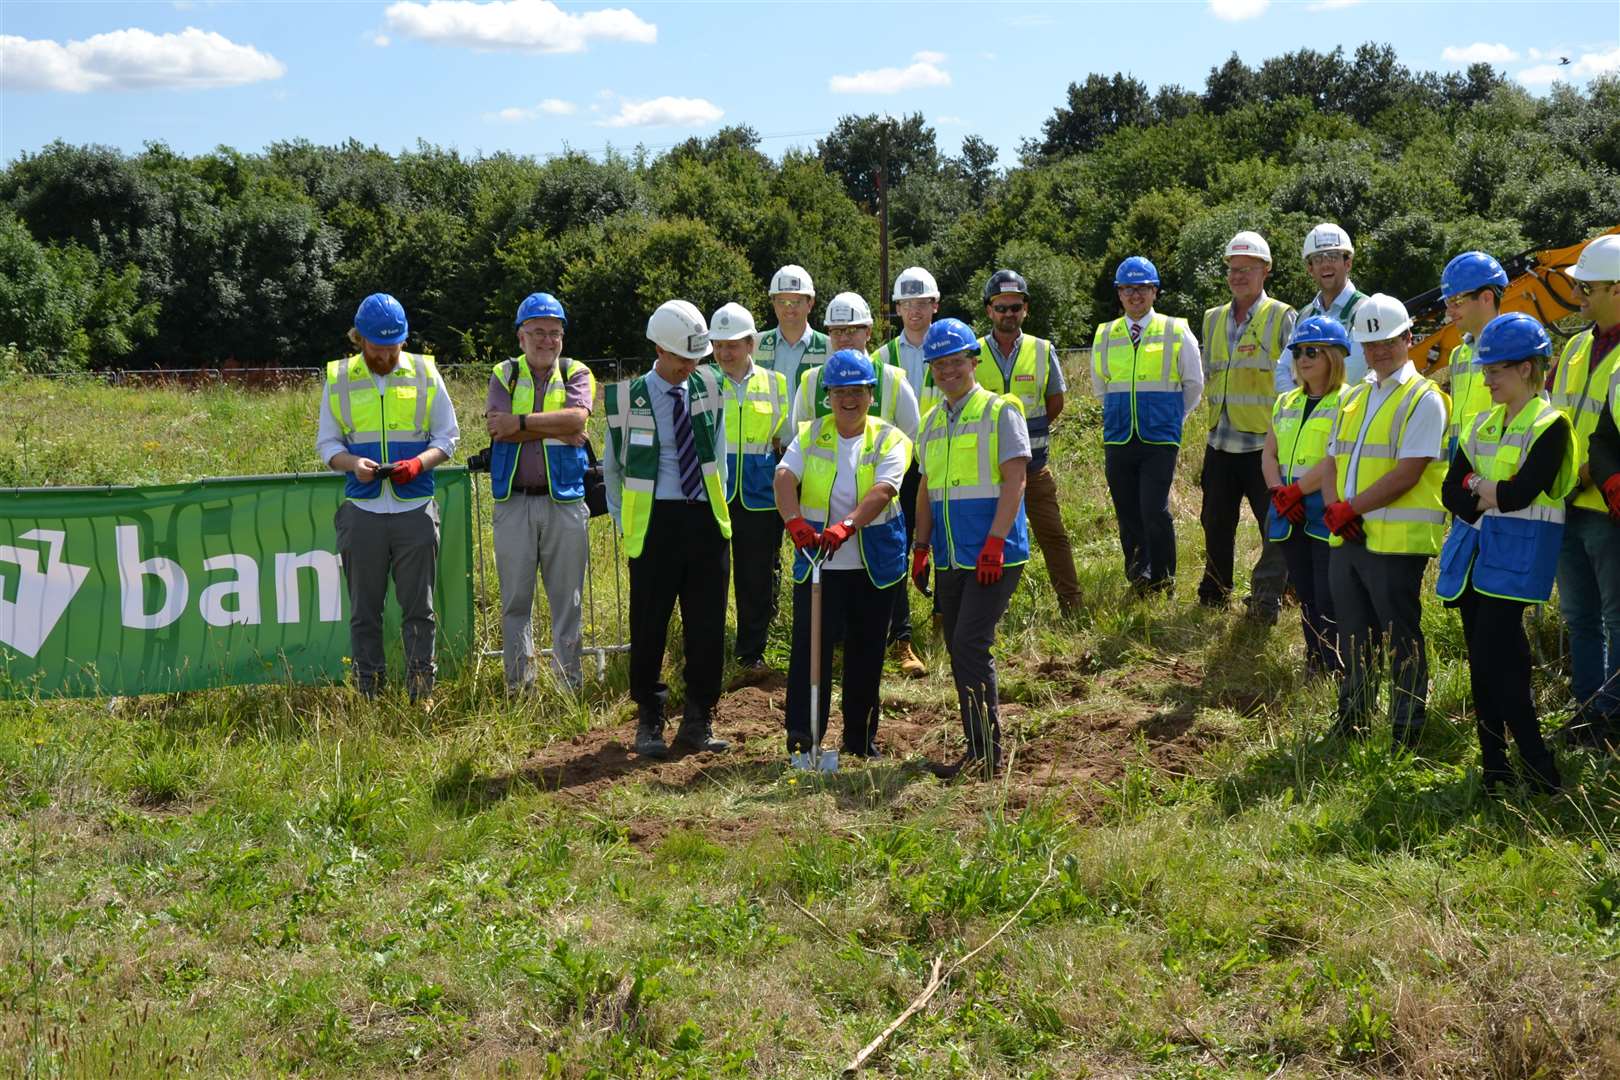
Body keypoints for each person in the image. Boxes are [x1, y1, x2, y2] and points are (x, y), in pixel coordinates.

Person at [1436, 313, 1571, 796]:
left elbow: (1522, 495)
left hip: (1517, 562)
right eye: (1485, 368)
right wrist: (1484, 487)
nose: (1486, 378)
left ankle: (1539, 767)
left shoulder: (1551, 425)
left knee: (1500, 662)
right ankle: (1495, 767)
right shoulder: (1480, 423)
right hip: (1474, 558)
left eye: (1496, 370)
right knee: (1483, 661)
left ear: (1529, 369)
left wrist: (1478, 486)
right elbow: (1451, 492)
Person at [1313, 294, 1448, 748]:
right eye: (1369, 345)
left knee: (1399, 639)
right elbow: (1332, 461)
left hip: (1396, 542)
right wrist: (1334, 509)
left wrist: (1349, 509)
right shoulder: (1353, 398)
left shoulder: (1425, 399)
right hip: (1349, 537)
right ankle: (1352, 720)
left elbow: (1408, 472)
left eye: (1387, 342)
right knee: (1352, 637)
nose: (1378, 352)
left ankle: (1406, 730)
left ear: (1409, 338)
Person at [316, 293, 459, 704]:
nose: (387, 354)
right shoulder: (339, 377)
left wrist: (419, 464)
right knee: (365, 612)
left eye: (394, 345)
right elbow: (327, 444)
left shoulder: (425, 372)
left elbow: (447, 437)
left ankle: (421, 692)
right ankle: (370, 693)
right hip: (362, 510)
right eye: (378, 347)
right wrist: (350, 463)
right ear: (359, 339)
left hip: (415, 508)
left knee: (420, 611)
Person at [604, 300, 732, 758]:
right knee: (649, 626)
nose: (689, 367)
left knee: (707, 627)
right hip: (654, 526)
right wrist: (625, 521)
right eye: (682, 358)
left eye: (696, 358)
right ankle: (650, 719)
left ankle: (699, 718)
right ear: (659, 347)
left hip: (705, 521)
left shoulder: (710, 387)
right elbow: (613, 471)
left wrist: (714, 514)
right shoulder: (625, 398)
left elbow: (719, 454)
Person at [774, 350, 911, 767]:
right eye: (839, 392)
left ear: (871, 394)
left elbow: (883, 491)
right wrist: (794, 521)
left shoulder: (891, 438)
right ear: (827, 396)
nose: (848, 399)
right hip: (820, 565)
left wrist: (847, 525)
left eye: (857, 391)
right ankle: (803, 739)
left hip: (874, 566)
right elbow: (784, 476)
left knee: (866, 653)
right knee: (808, 654)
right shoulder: (811, 433)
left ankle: (859, 739)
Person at [911, 318, 1032, 777]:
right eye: (939, 365)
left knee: (969, 643)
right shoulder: (932, 421)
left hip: (994, 554)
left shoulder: (1001, 411)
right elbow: (926, 490)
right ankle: (976, 750)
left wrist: (996, 542)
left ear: (973, 362)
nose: (947, 371)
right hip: (951, 555)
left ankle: (988, 756)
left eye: (955, 362)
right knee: (960, 647)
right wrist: (921, 547)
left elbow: (1015, 480)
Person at [485, 292, 596, 693]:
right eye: (538, 332)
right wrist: (557, 426)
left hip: (564, 501)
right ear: (521, 337)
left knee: (569, 602)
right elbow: (498, 428)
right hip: (514, 502)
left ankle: (570, 685)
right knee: (516, 602)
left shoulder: (577, 372)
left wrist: (521, 422)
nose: (547, 340)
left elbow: (577, 418)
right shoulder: (503, 373)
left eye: (554, 333)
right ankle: (520, 686)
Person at [1199, 231, 1297, 621]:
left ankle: (1274, 594)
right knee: (1215, 521)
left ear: (1265, 271)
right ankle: (1215, 589)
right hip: (1220, 439)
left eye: (1248, 269)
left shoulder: (1281, 315)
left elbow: (1295, 377)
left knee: (1273, 526)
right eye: (1233, 269)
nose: (1239, 276)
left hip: (1263, 443)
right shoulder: (1212, 319)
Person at [1091, 256, 1204, 594]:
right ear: (1119, 293)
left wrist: (1172, 419)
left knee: (1154, 508)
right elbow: (1101, 387)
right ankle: (1139, 573)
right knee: (1126, 508)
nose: (1134, 295)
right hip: (1119, 434)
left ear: (1154, 291)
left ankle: (1164, 577)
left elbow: (1194, 384)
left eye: (1141, 288)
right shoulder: (1106, 333)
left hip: (1159, 437)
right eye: (1127, 288)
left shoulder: (1175, 329)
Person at [976, 268, 1082, 616]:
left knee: (1052, 536)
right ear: (989, 310)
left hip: (1034, 469)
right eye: (1001, 307)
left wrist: (1020, 443)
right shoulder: (972, 354)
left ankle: (1072, 605)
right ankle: (986, 612)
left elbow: (1055, 404)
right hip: (986, 474)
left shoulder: (1043, 350)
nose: (1009, 314)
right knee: (987, 541)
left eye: (1015, 307)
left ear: (1026, 309)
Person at [1263, 316, 1350, 676]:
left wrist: (1297, 491)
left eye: (1312, 351)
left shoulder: (1349, 402)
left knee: (1328, 593)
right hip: (1288, 510)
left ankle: (1335, 664)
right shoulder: (1285, 401)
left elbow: (1334, 457)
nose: (1303, 359)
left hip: (1322, 509)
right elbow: (1269, 452)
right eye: (1298, 352)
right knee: (1305, 594)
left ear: (1334, 356)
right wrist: (1278, 491)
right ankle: (1314, 661)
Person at [1559, 234, 1620, 749]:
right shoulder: (1577, 347)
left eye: (1590, 286)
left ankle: (1613, 716)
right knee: (1580, 618)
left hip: (1606, 507)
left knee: (1617, 616)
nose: (1580, 294)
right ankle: (1588, 712)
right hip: (1564, 503)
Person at [708, 301, 790, 680]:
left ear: (751, 344)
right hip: (714, 495)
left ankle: (750, 652)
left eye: (733, 344)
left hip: (760, 495)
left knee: (757, 576)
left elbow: (782, 440)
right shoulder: (702, 383)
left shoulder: (777, 384)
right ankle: (709, 646)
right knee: (711, 576)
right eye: (719, 344)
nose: (725, 352)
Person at [874, 266, 940, 677]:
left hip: (943, 463)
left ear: (935, 305)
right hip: (900, 467)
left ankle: (945, 622)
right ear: (897, 309)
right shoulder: (882, 358)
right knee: (897, 549)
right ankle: (901, 639)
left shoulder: (953, 347)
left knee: (946, 543)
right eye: (906, 304)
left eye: (921, 303)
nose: (914, 311)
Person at [790, 292, 920, 443]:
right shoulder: (811, 381)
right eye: (837, 331)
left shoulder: (891, 379)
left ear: (868, 332)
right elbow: (799, 439)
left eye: (851, 330)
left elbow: (911, 438)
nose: (844, 338)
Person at [1437, 251, 1511, 458]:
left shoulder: (1514, 350)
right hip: (1461, 461)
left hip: (1494, 465)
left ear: (1486, 297)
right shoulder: (1458, 354)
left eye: (1457, 302)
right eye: (1447, 303)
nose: (1449, 311)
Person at [1288, 223, 1369, 388]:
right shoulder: (1304, 316)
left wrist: (1311, 396)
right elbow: (1285, 369)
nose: (1325, 264)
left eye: (1333, 256)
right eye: (1318, 259)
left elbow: (1351, 373)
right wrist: (1300, 404)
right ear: (1310, 268)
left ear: (1348, 263)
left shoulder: (1365, 310)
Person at [755, 264, 828, 401]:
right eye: (782, 302)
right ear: (773, 303)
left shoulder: (830, 348)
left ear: (810, 303)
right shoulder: (754, 345)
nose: (789, 309)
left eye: (796, 302)